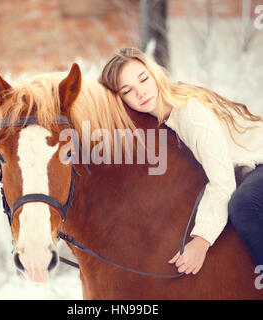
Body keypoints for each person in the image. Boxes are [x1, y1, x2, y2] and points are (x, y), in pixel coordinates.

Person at [98, 47, 263, 275]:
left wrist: (201, 240)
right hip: (248, 166)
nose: (141, 92)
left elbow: (222, 182)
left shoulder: (190, 113)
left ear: (154, 72)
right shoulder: (159, 121)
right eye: (127, 91)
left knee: (243, 205)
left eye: (143, 79)